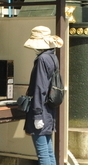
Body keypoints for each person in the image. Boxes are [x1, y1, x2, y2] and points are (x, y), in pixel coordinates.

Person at [24, 26, 64, 165]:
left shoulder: (41, 59)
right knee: (48, 150)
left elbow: (39, 88)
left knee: (42, 153)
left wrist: (37, 114)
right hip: (49, 110)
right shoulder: (52, 57)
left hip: (40, 110)